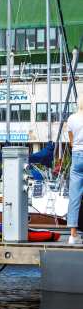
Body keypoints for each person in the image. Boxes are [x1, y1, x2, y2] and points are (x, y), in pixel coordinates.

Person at [66, 101, 83, 244]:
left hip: (77, 156)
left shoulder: (71, 118)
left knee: (74, 196)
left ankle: (73, 235)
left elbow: (71, 142)